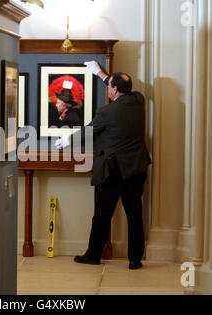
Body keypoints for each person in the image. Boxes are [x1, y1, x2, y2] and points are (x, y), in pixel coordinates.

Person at [55, 61, 152, 270]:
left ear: (115, 89)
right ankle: (135, 259)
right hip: (136, 169)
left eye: (110, 86)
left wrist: (66, 140)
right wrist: (100, 73)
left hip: (112, 170)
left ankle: (93, 255)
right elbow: (117, 84)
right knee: (135, 215)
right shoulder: (139, 101)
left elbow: (88, 132)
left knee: (102, 214)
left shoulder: (106, 112)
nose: (108, 88)